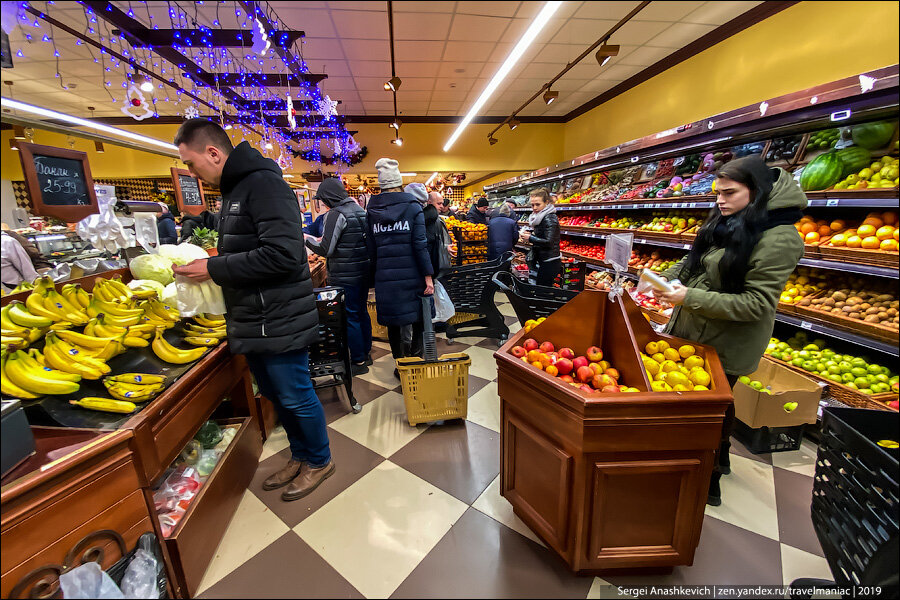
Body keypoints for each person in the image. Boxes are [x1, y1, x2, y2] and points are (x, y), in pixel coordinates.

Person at [170, 119, 333, 502]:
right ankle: (301, 455)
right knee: (278, 394)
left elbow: (282, 255)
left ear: (213, 153)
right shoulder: (236, 190)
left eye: (191, 164)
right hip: (256, 317)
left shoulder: (263, 184)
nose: (190, 172)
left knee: (295, 394)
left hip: (277, 316)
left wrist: (212, 267)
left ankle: (321, 460)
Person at [655, 155, 806, 507]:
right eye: (717, 192)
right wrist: (664, 278)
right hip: (698, 332)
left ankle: (709, 481)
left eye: (729, 192)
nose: (719, 200)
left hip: (728, 342)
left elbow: (756, 303)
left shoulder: (779, 238)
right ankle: (712, 463)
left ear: (756, 192)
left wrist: (688, 296)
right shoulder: (731, 221)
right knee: (714, 406)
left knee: (713, 410)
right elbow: (696, 262)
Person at [367, 158, 434, 373]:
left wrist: (375, 277)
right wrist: (428, 275)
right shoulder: (413, 207)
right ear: (399, 182)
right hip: (412, 274)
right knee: (417, 319)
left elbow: (371, 248)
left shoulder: (372, 210)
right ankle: (415, 360)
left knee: (394, 323)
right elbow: (419, 245)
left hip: (385, 277)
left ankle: (400, 365)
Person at [304, 178, 372, 375]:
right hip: (362, 271)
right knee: (361, 312)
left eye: (324, 199)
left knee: (349, 315)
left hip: (345, 274)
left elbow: (326, 248)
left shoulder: (336, 213)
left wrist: (307, 240)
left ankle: (358, 360)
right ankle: (365, 353)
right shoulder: (360, 210)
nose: (324, 203)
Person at [521, 188, 561, 287]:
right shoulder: (540, 217)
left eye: (538, 204)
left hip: (549, 260)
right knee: (539, 287)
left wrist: (530, 238)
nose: (534, 208)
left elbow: (548, 241)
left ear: (546, 202)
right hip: (543, 258)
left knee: (543, 290)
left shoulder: (549, 218)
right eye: (532, 205)